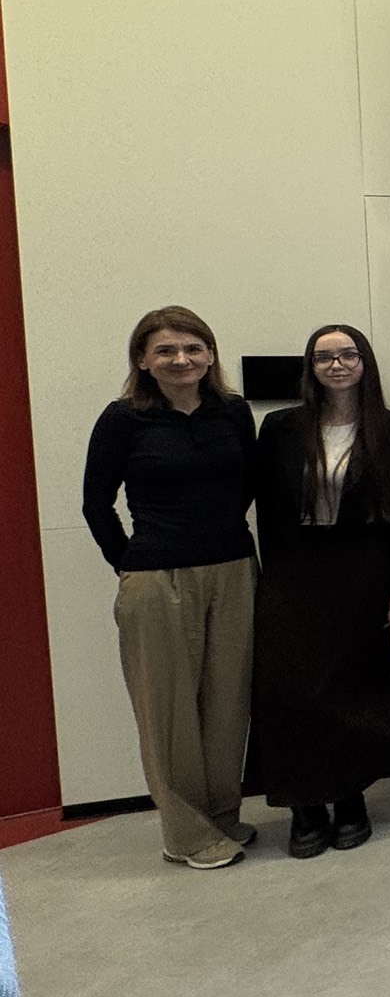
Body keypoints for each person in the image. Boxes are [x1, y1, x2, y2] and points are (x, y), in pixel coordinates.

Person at [82, 306, 258, 870]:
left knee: (228, 701)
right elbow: (96, 504)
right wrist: (130, 565)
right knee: (168, 708)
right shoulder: (123, 419)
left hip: (233, 568)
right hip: (157, 578)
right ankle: (186, 834)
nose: (181, 359)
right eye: (165, 350)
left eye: (192, 348)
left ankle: (222, 817)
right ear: (142, 360)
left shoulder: (233, 411)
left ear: (210, 355)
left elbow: (246, 486)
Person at [249, 325, 390, 858]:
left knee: (351, 687)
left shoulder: (389, 429)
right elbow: (266, 509)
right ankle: (303, 806)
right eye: (325, 357)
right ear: (311, 367)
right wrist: (267, 575)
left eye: (348, 355)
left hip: (361, 570)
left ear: (364, 363)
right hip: (293, 571)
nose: (337, 365)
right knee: (287, 688)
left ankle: (348, 799)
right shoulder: (280, 427)